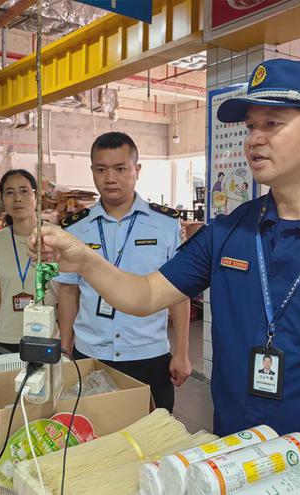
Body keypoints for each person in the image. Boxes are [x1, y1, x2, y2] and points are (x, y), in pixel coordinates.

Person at [30, 59, 300, 494]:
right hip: (234, 464)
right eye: (250, 127)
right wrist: (86, 260)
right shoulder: (228, 233)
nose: (254, 139)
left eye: (272, 124)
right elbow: (145, 294)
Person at [56, 132, 191, 412]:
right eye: (101, 170)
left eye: (120, 169)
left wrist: (182, 352)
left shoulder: (165, 225)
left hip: (148, 354)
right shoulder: (75, 228)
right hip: (90, 352)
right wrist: (65, 351)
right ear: (92, 171)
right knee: (91, 431)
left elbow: (179, 293)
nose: (110, 178)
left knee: (152, 432)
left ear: (136, 170)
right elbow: (68, 292)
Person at [0, 170, 56, 354]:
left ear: (36, 196)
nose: (17, 198)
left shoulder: (56, 236)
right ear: (2, 199)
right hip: (8, 336)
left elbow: (68, 291)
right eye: (9, 192)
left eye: (24, 191)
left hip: (50, 334)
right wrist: (12, 309)